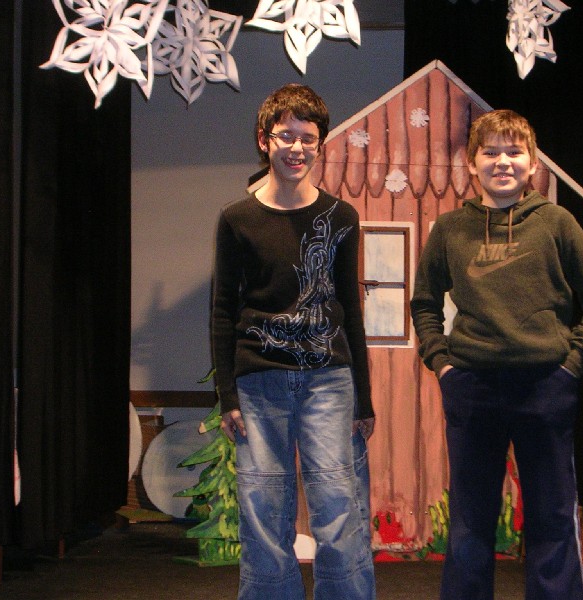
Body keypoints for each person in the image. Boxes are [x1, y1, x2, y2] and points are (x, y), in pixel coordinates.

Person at [410, 109, 583, 600]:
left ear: (532, 163)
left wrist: (571, 363)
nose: (502, 162)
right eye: (490, 152)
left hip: (546, 386)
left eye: (514, 152)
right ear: (471, 162)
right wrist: (442, 363)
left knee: (551, 517)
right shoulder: (450, 229)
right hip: (472, 388)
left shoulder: (556, 223)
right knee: (469, 521)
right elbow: (424, 303)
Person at [210, 83, 376, 600]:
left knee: (338, 506)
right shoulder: (237, 220)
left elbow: (350, 310)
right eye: (286, 136)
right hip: (259, 383)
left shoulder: (341, 218)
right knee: (263, 510)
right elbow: (222, 310)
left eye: (308, 138)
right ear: (265, 140)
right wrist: (227, 395)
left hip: (329, 381)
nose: (297, 147)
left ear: (320, 144)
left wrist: (364, 399)